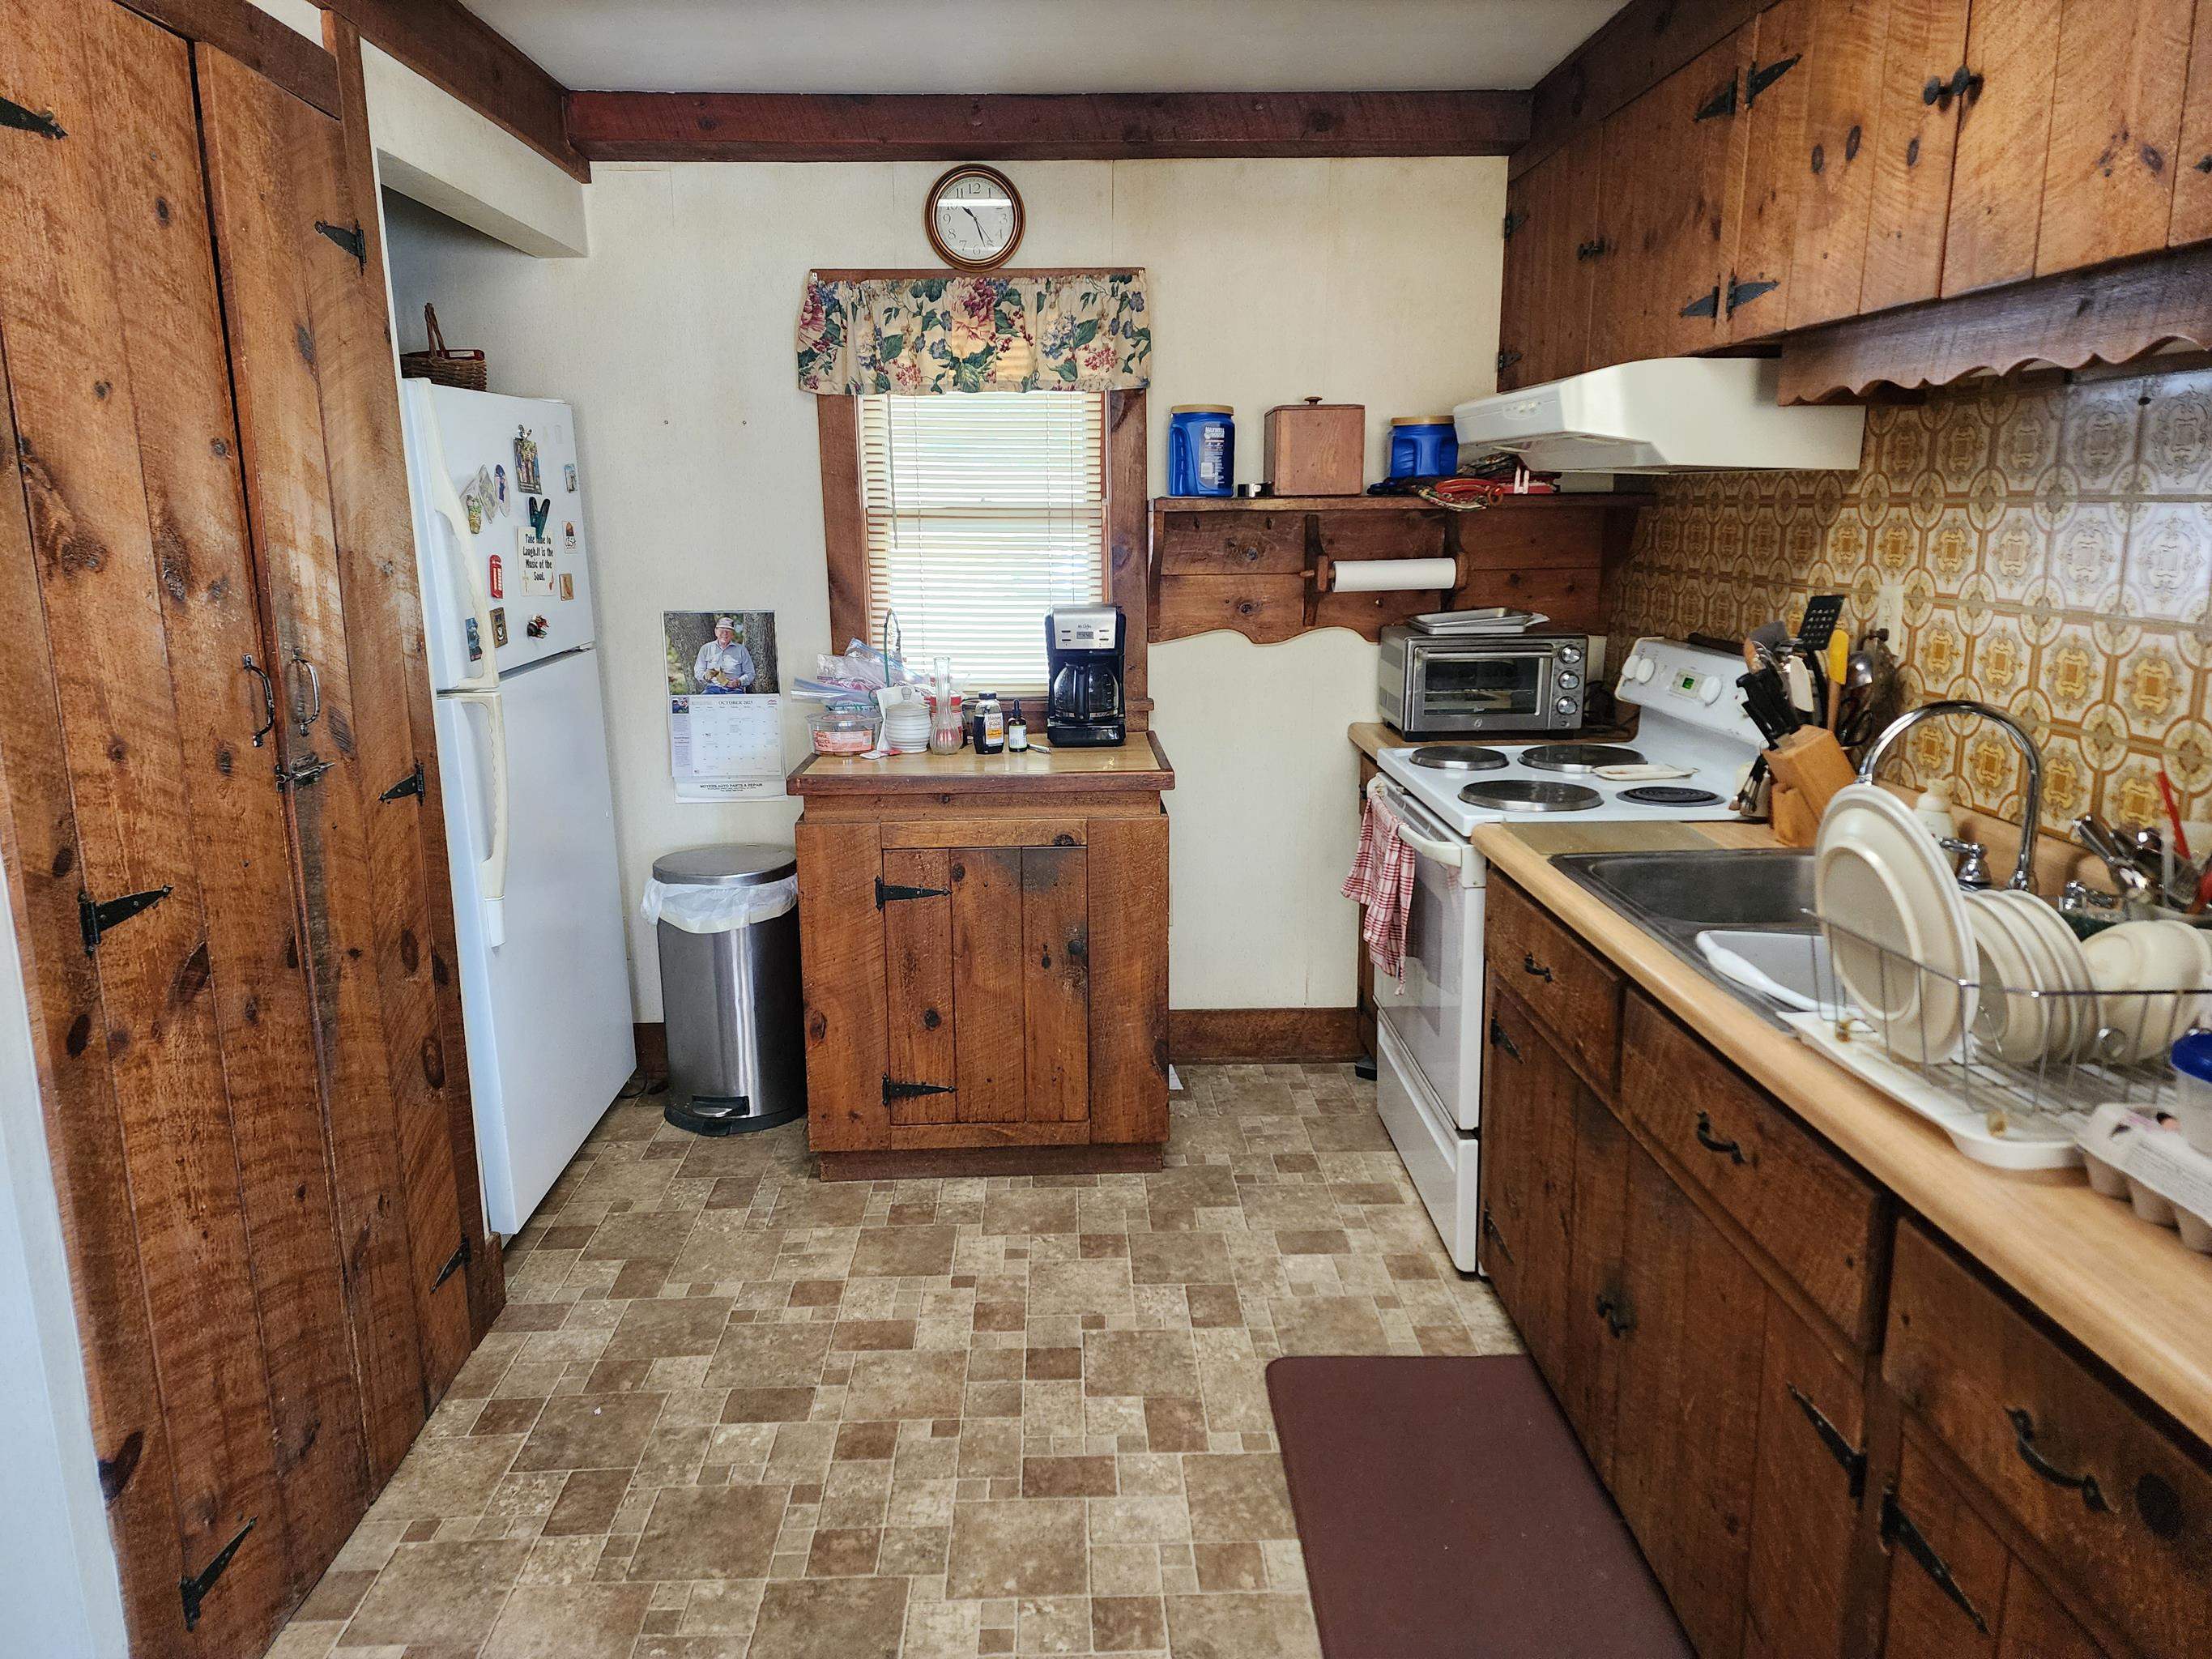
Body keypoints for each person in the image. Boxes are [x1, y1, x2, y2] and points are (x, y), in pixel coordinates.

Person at [693, 616, 755, 693]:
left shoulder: (741, 650)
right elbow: (698, 671)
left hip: (735, 690)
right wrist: (705, 676)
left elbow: (750, 673)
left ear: (733, 634)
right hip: (712, 689)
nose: (725, 634)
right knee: (701, 703)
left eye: (728, 631)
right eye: (722, 630)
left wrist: (739, 682)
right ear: (716, 632)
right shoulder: (706, 648)